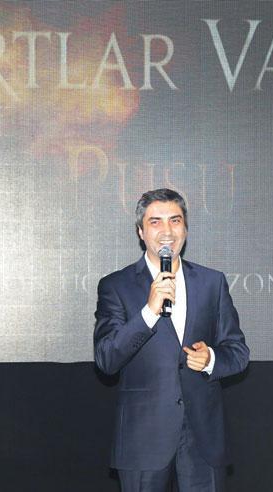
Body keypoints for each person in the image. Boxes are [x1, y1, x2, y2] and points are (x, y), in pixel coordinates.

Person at [94, 188, 249, 492]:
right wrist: (149, 312)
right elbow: (106, 359)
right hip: (143, 439)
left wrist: (211, 359)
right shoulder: (116, 286)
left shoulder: (212, 282)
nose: (167, 231)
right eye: (155, 222)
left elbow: (238, 352)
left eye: (175, 220)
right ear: (141, 232)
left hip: (203, 439)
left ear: (185, 229)